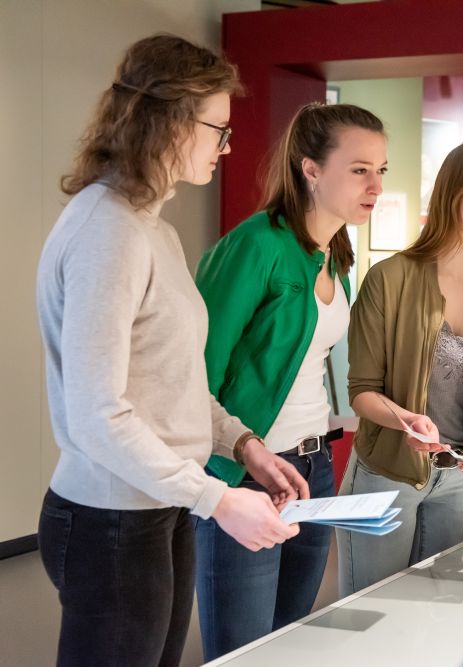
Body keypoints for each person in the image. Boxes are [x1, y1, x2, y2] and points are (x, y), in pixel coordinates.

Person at [35, 34, 305, 666]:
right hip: (110, 520)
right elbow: (98, 414)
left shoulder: (148, 226)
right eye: (219, 129)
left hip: (154, 510)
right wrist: (217, 498)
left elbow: (172, 383)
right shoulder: (108, 230)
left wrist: (244, 446)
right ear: (173, 122)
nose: (227, 145)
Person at [192, 103, 387, 659]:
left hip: (312, 468)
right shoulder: (257, 245)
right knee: (242, 650)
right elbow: (195, 373)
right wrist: (227, 473)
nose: (374, 184)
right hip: (245, 472)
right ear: (310, 169)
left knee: (288, 641)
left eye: (381, 171)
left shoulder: (335, 255)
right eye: (358, 169)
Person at [339, 139, 463, 596]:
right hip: (384, 473)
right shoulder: (390, 278)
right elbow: (362, 390)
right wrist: (404, 419)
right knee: (372, 611)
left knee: (444, 612)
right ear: (453, 193)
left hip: (459, 481)